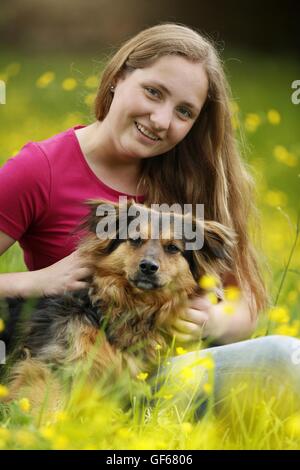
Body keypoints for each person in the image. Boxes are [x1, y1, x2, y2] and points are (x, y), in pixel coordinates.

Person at [0, 23, 299, 408]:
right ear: (119, 76)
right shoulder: (40, 169)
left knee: (284, 359)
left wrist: (215, 320)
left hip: (163, 375)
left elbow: (245, 305)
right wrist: (37, 280)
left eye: (184, 111)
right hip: (67, 360)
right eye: (153, 92)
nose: (160, 119)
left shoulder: (195, 180)